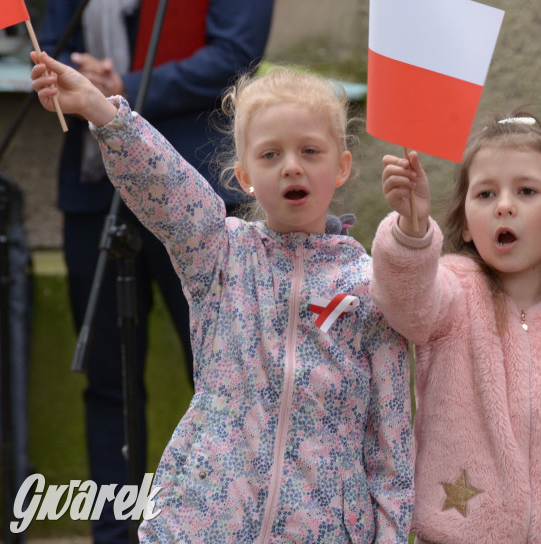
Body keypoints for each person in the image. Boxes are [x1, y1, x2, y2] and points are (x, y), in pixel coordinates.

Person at [30, 53, 414, 541]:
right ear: (245, 175)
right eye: (271, 154)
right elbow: (167, 186)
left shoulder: (370, 285)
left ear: (341, 167)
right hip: (204, 525)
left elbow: (392, 445)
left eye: (310, 152)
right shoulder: (219, 254)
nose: (291, 166)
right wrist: (100, 111)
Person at [37, 0, 274, 539]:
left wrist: (127, 86)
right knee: (109, 382)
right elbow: (55, 36)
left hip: (195, 197)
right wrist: (68, 77)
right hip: (93, 189)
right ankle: (116, 532)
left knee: (221, 377)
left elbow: (237, 51)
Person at [370, 112, 541, 543]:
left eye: (526, 190)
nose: (504, 204)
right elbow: (403, 301)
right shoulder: (451, 292)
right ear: (465, 223)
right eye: (485, 193)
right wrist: (411, 230)